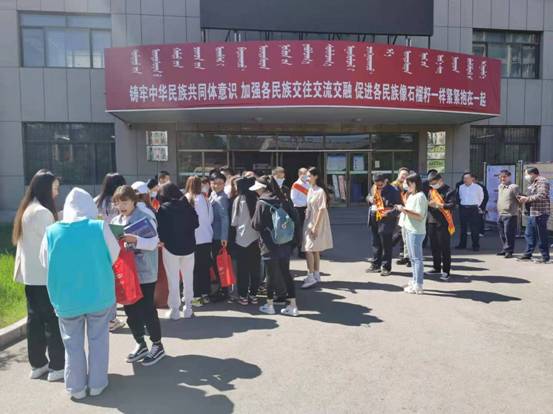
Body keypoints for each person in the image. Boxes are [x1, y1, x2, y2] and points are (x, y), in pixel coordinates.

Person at [40, 188, 119, 399]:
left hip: (66, 298)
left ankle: (76, 388)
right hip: (99, 293)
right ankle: (97, 383)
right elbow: (114, 254)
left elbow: (45, 261)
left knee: (71, 344)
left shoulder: (51, 231)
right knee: (99, 340)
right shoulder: (99, 227)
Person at [12, 169, 65, 382]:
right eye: (55, 188)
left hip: (31, 276)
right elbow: (53, 245)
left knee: (34, 321)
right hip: (45, 276)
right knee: (52, 321)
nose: (57, 193)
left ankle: (38, 364)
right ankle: (57, 366)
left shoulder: (27, 209)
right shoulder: (43, 213)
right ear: (45, 189)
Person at [111, 185, 165, 366]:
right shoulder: (116, 220)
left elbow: (154, 242)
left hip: (144, 271)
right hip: (126, 272)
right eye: (118, 203)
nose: (121, 206)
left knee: (147, 309)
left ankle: (157, 345)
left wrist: (135, 240)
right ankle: (140, 343)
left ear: (134, 201)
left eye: (125, 202)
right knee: (130, 310)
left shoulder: (144, 217)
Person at [251, 176, 300, 316]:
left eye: (257, 189)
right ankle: (293, 306)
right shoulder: (283, 199)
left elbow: (256, 224)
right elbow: (295, 219)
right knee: (286, 274)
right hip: (285, 242)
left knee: (271, 275)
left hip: (269, 244)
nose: (256, 192)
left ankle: (270, 305)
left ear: (262, 188)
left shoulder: (261, 202)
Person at [157, 183, 199, 319]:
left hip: (170, 248)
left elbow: (160, 229)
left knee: (173, 280)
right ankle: (188, 307)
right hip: (189, 247)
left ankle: (174, 310)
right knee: (188, 278)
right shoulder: (187, 205)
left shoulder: (163, 208)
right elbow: (196, 223)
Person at [95, 173, 127, 332]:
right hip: (116, 245)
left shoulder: (96, 201)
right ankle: (112, 318)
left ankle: (106, 317)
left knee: (104, 282)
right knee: (116, 281)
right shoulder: (119, 202)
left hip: (98, 246)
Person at [301, 167, 333, 289]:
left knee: (309, 249)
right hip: (310, 220)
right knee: (314, 249)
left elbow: (321, 209)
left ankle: (311, 276)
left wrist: (315, 227)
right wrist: (308, 210)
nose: (307, 178)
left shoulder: (320, 191)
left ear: (316, 177)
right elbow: (311, 206)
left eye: (309, 176)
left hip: (316, 222)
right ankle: (316, 274)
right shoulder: (311, 189)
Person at [395, 173, 428, 294]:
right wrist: (403, 210)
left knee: (416, 259)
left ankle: (418, 284)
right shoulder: (412, 195)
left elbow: (419, 216)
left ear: (414, 183)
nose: (406, 186)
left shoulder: (420, 196)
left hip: (416, 231)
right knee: (413, 258)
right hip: (409, 228)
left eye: (408, 184)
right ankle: (415, 281)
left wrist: (403, 210)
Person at [231, 176, 261, 305]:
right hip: (256, 238)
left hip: (241, 239)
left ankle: (243, 296)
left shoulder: (238, 200)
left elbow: (234, 222)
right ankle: (253, 295)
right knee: (255, 269)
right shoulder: (257, 199)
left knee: (242, 270)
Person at [185, 176, 214, 306]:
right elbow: (211, 218)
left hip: (193, 239)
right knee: (204, 268)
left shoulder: (187, 198)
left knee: (194, 269)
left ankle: (196, 297)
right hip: (207, 237)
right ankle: (205, 294)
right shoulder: (206, 199)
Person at [366, 174, 401, 276]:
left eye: (380, 185)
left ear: (386, 181)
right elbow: (368, 196)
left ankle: (386, 267)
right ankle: (376, 264)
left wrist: (389, 213)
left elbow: (398, 207)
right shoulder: (374, 187)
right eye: (376, 184)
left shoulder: (393, 190)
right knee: (375, 243)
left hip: (386, 219)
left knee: (386, 244)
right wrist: (369, 199)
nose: (378, 186)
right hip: (374, 217)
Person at [426, 173, 456, 281]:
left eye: (434, 183)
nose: (432, 185)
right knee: (434, 246)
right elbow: (428, 204)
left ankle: (446, 271)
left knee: (444, 248)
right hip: (431, 221)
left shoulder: (449, 190)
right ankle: (436, 267)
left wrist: (440, 205)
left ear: (440, 180)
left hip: (443, 222)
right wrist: (428, 204)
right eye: (431, 183)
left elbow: (452, 205)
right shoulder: (431, 191)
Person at [517, 167, 550, 263]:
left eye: (526, 174)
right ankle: (528, 254)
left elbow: (542, 195)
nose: (526, 177)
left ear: (532, 174)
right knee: (529, 234)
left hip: (540, 213)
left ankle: (545, 257)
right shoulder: (533, 183)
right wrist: (523, 197)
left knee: (541, 235)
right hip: (532, 213)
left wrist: (526, 199)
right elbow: (532, 195)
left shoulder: (542, 181)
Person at [209, 172, 230, 300]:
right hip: (212, 234)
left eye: (220, 183)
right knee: (216, 263)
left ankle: (224, 290)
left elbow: (224, 218)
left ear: (224, 184)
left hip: (218, 236)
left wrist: (224, 237)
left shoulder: (222, 198)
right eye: (214, 183)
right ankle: (222, 288)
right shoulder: (213, 194)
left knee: (220, 264)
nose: (216, 185)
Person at [456, 172, 484, 251]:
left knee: (474, 228)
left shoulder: (478, 187)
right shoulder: (461, 187)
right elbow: (460, 196)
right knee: (463, 228)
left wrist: (477, 205)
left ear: (472, 179)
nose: (465, 180)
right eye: (464, 178)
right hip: (463, 208)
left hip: (473, 209)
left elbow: (481, 197)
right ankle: (462, 244)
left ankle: (475, 245)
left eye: (467, 178)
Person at [496, 170, 520, 259]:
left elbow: (519, 199)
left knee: (509, 234)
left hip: (510, 214)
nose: (502, 178)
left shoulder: (514, 187)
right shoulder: (500, 186)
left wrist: (518, 209)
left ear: (509, 177)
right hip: (500, 213)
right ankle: (505, 249)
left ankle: (509, 251)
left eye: (504, 176)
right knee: (502, 234)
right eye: (501, 177)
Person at [391, 167, 410, 265]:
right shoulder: (394, 185)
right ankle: (389, 245)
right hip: (398, 211)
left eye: (406, 175)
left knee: (404, 233)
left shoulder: (408, 185)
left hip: (407, 211)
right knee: (400, 232)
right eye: (403, 174)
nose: (404, 176)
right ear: (398, 174)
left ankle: (403, 254)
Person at [290, 168, 310, 257]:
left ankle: (309, 249)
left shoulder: (308, 183)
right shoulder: (296, 185)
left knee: (308, 230)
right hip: (299, 209)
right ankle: (300, 250)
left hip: (308, 208)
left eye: (306, 173)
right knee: (300, 230)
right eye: (304, 173)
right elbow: (294, 199)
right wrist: (305, 204)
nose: (305, 175)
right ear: (299, 174)